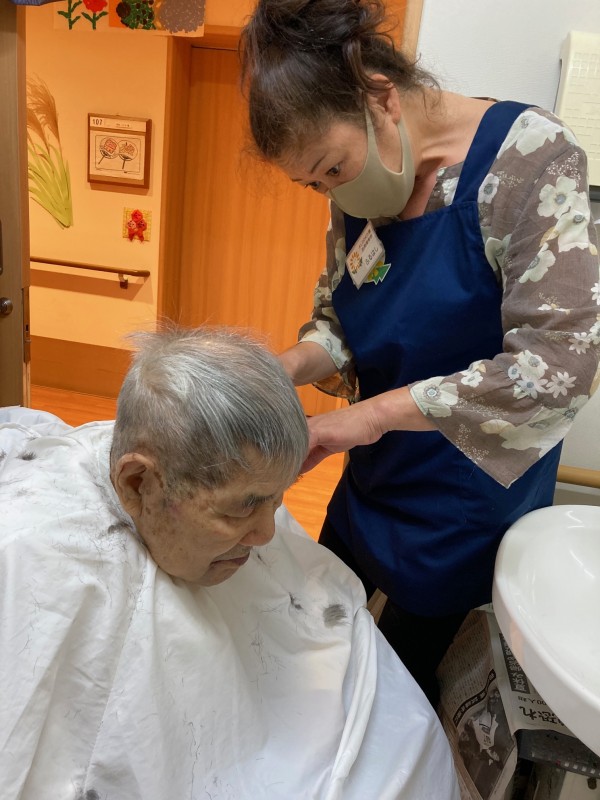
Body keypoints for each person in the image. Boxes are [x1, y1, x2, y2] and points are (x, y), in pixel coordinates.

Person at [239, 0, 600, 705]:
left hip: (463, 507)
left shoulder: (529, 161)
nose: (333, 192)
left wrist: (369, 417)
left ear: (381, 96)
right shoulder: (358, 194)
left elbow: (560, 369)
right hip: (372, 484)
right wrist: (285, 368)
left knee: (395, 700)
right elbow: (343, 322)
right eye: (314, 184)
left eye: (333, 168)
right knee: (314, 660)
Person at [0, 325, 459, 800]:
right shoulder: (29, 559)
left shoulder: (223, 481)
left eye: (278, 500)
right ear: (137, 484)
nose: (267, 536)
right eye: (243, 508)